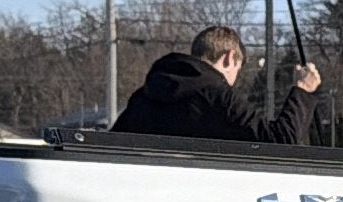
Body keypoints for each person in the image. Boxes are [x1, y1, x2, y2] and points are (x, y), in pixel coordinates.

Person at [116, 25, 322, 143]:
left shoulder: (144, 96)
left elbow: (113, 144)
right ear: (230, 58)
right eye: (237, 70)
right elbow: (280, 139)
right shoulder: (216, 96)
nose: (232, 81)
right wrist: (303, 91)